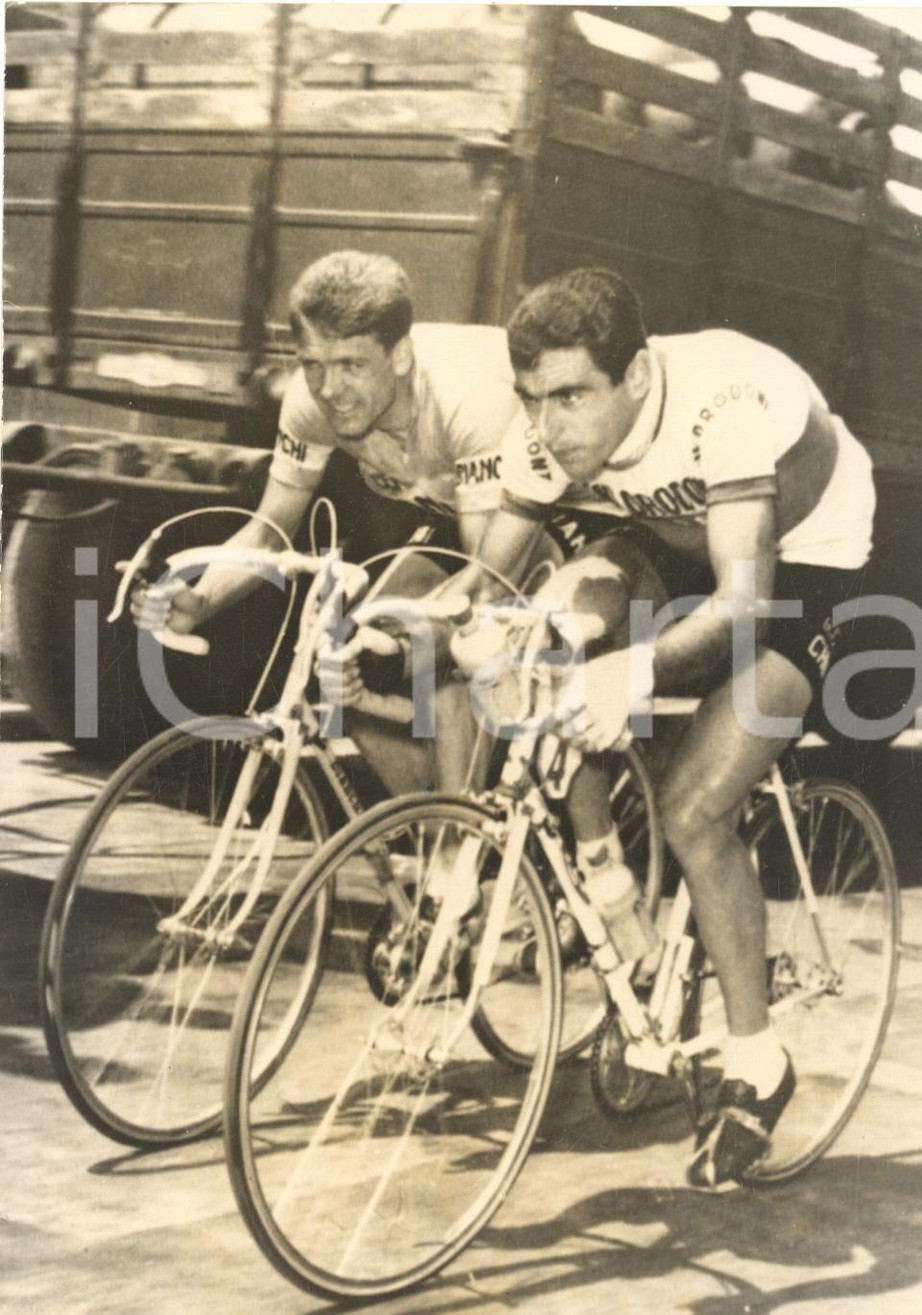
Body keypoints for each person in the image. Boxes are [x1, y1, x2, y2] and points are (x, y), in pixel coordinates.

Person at [452, 266, 876, 1191]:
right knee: (552, 628)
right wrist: (419, 616)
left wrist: (634, 672)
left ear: (635, 377)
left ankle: (757, 1059)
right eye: (531, 400)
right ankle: (612, 895)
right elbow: (482, 581)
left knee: (693, 809)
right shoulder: (548, 435)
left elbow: (743, 602)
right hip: (670, 542)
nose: (548, 425)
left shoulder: (722, 404)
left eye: (570, 396)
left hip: (793, 564)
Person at [131, 249, 565, 794]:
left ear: (401, 355)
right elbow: (271, 528)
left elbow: (483, 585)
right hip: (450, 511)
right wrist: (201, 599)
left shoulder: (467, 398)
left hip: (542, 517)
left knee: (450, 653)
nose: (329, 389)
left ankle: (459, 849)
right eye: (312, 364)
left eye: (351, 366)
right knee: (347, 664)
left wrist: (412, 647)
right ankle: (434, 836)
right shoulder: (313, 401)